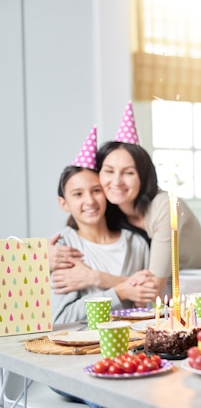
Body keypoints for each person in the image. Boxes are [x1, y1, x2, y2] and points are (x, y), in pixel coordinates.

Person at [50, 102, 201, 297]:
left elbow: (153, 287)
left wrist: (94, 277)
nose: (116, 182)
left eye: (128, 173)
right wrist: (44, 255)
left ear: (143, 176)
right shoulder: (113, 208)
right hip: (160, 300)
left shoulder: (166, 206)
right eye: (109, 171)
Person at [51, 128, 157, 324]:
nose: (90, 201)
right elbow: (61, 318)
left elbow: (151, 304)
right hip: (86, 347)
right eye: (78, 194)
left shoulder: (136, 243)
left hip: (134, 347)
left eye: (96, 190)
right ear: (64, 203)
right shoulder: (63, 248)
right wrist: (119, 292)